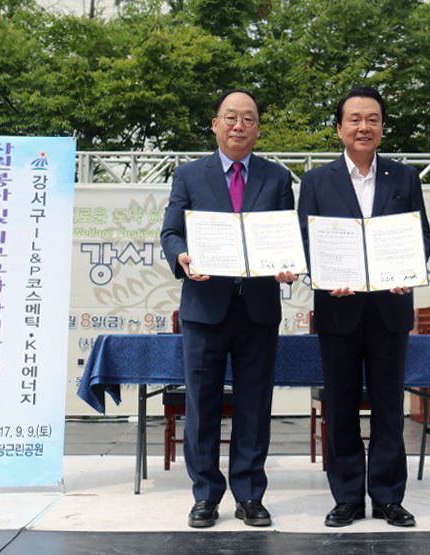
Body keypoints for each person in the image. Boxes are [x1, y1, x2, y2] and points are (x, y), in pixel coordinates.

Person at [160, 89, 296, 528]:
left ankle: (250, 495)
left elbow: (285, 236)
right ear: (215, 124)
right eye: (231, 117)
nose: (239, 125)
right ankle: (205, 496)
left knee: (255, 405)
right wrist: (181, 256)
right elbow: (171, 233)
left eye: (248, 118)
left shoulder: (277, 178)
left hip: (258, 308)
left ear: (258, 128)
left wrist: (288, 264)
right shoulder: (189, 175)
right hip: (205, 308)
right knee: (202, 405)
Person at [298, 85, 430, 528]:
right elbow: (306, 240)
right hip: (338, 309)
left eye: (372, 119)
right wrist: (324, 276)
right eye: (354, 119)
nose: (363, 127)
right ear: (339, 128)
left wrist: (408, 271)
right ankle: (347, 498)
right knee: (339, 406)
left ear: (382, 128)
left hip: (390, 310)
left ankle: (389, 497)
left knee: (389, 406)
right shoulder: (316, 182)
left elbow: (421, 236)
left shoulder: (404, 178)